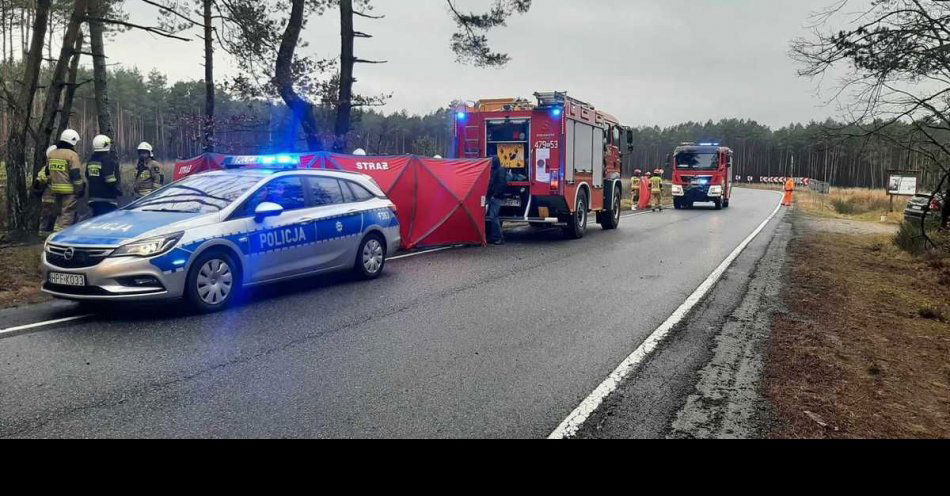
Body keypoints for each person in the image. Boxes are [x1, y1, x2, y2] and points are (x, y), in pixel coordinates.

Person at [44, 129, 84, 232]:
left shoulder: (52, 154)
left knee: (58, 213)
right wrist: (80, 189)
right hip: (69, 190)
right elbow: (75, 174)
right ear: (72, 140)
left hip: (55, 189)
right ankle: (62, 234)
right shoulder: (72, 155)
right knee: (67, 213)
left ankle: (55, 231)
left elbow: (47, 172)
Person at [85, 135, 121, 217]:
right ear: (106, 145)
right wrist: (116, 189)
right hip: (106, 199)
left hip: (93, 197)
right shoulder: (107, 160)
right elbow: (110, 180)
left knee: (97, 222)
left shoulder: (91, 160)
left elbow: (87, 175)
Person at [31, 145, 60, 235]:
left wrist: (37, 183)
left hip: (50, 197)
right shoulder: (60, 166)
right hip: (55, 197)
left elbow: (41, 177)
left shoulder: (47, 167)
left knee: (48, 217)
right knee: (52, 217)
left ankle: (45, 233)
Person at [486, 156, 507, 245]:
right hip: (493, 196)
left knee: (493, 217)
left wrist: (495, 195)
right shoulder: (496, 170)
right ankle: (493, 237)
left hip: (496, 197)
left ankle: (499, 238)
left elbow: (501, 184)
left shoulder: (500, 170)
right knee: (492, 217)